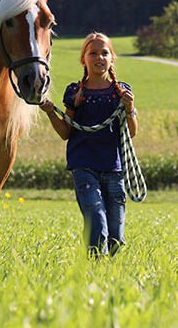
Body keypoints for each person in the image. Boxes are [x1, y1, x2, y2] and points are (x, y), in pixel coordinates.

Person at [40, 32, 138, 256]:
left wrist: (130, 110)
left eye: (104, 53)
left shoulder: (121, 92)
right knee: (96, 219)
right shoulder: (75, 93)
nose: (99, 58)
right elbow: (66, 132)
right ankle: (95, 264)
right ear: (83, 59)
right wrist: (51, 113)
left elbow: (131, 132)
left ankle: (110, 271)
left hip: (114, 168)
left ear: (112, 58)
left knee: (116, 233)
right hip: (84, 166)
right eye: (92, 53)